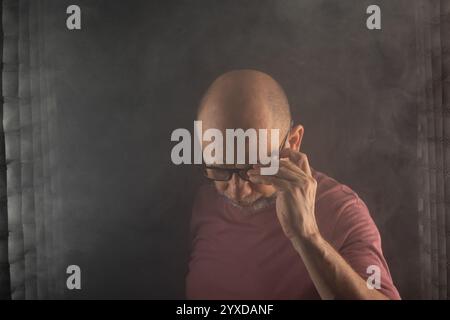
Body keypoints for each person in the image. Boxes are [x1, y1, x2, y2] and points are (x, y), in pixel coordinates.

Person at [185, 69, 400, 300]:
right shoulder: (204, 203)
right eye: (220, 168)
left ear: (293, 142)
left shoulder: (341, 210)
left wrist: (307, 237)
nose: (238, 190)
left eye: (254, 167)